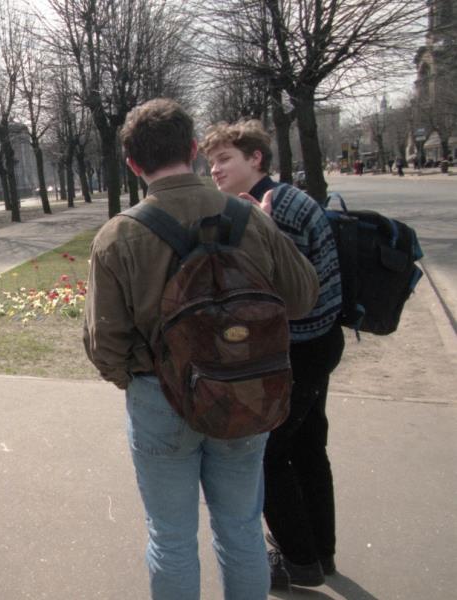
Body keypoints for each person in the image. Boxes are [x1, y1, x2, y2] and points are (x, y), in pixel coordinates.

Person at [84, 99, 319, 600]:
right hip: (245, 390)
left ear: (133, 164)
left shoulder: (118, 235)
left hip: (160, 396)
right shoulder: (249, 216)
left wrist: (138, 381)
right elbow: (302, 297)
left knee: (170, 538)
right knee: (241, 529)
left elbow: (104, 342)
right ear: (193, 149)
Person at [204, 119, 345, 590]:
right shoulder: (276, 199)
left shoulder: (273, 207)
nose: (215, 169)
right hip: (317, 343)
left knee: (269, 454)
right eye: (211, 162)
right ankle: (320, 551)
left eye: (225, 158)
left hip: (300, 348)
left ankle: (298, 559)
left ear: (255, 158)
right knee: (307, 448)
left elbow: (284, 290)